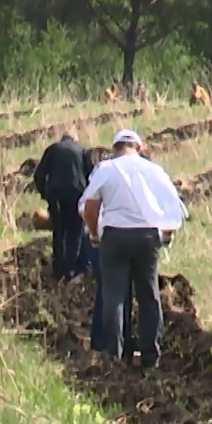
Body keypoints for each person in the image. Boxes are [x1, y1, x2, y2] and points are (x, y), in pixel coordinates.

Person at [81, 129, 186, 367]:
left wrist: (96, 234)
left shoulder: (106, 169)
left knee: (114, 297)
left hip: (114, 236)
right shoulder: (153, 170)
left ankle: (115, 355)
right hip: (147, 236)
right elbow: (171, 207)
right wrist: (164, 235)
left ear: (115, 148)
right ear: (138, 147)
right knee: (149, 295)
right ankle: (150, 354)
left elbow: (89, 207)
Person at [33, 130, 95, 280]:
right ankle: (71, 270)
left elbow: (38, 175)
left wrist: (45, 194)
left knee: (59, 231)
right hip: (77, 195)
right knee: (75, 231)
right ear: (75, 139)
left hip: (56, 196)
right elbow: (92, 176)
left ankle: (58, 271)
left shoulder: (52, 149)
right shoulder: (82, 150)